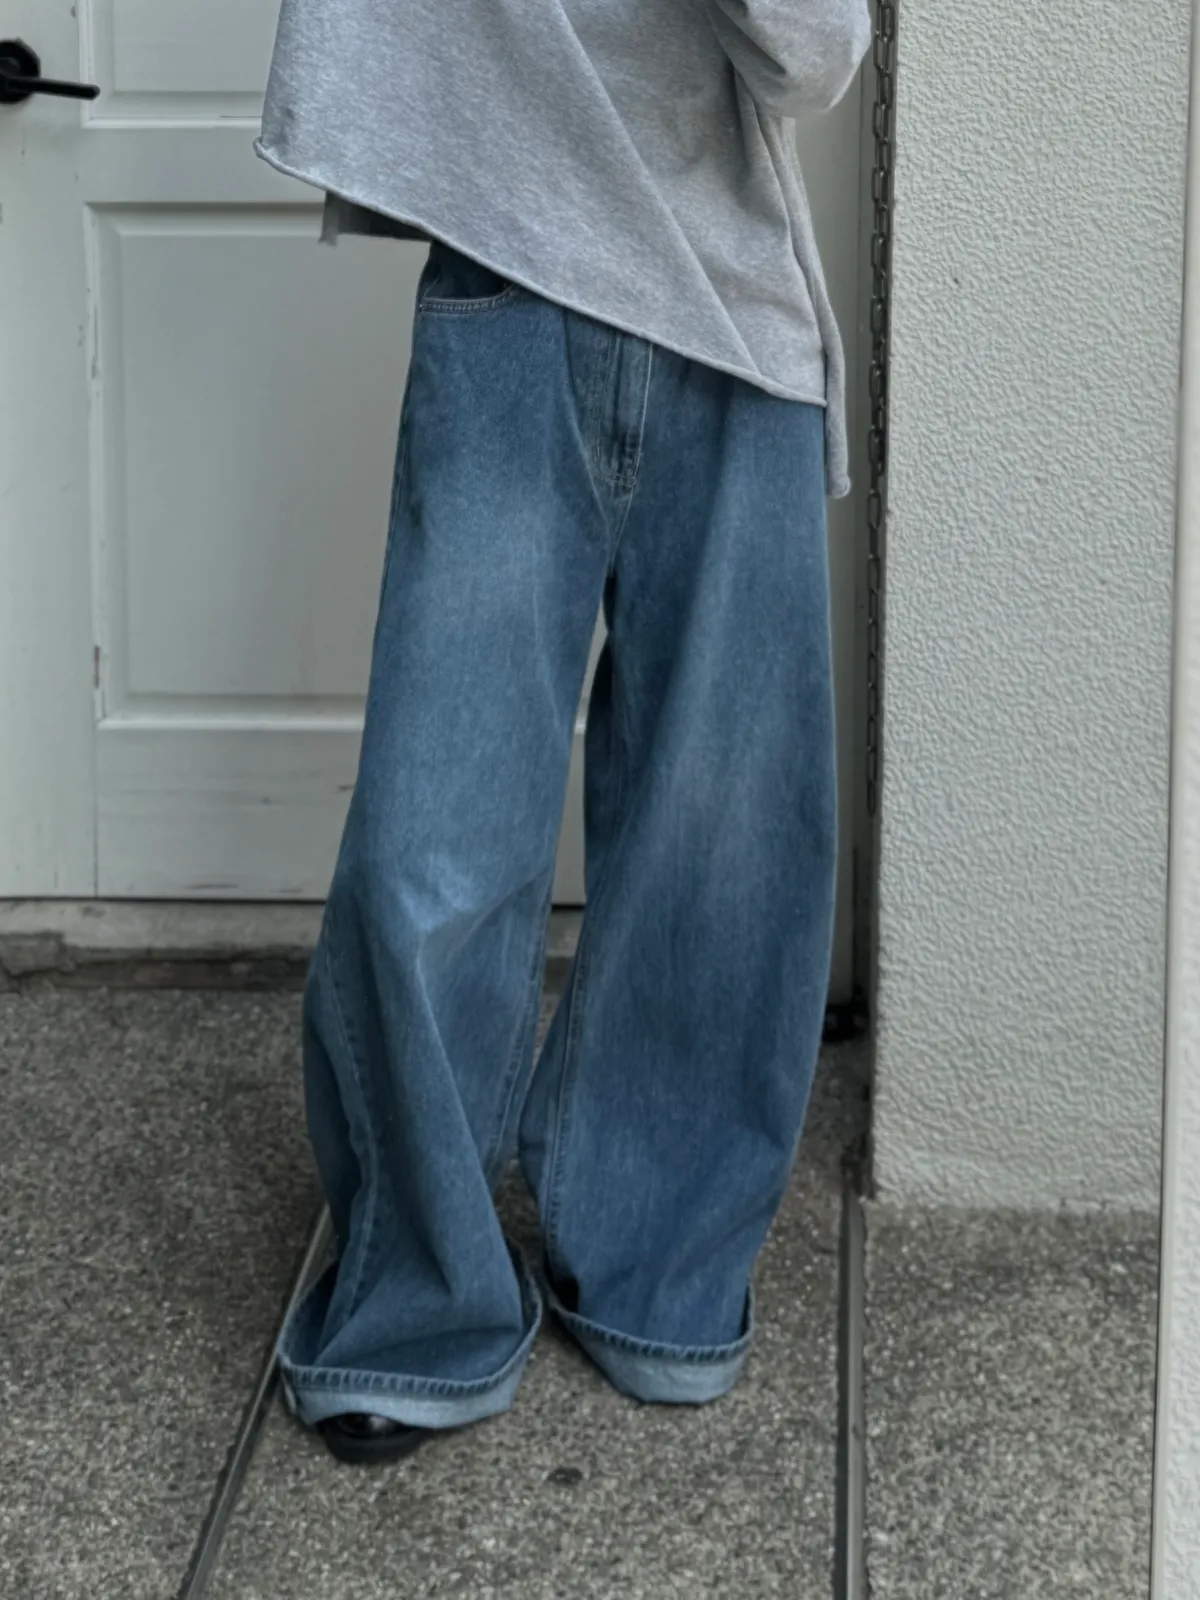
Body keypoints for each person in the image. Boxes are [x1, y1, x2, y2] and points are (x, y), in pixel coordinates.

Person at [255, 0, 871, 1465]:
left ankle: (662, 1266)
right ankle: (417, 1300)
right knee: (435, 835)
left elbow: (811, 52)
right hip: (510, 269)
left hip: (726, 303)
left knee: (725, 841)